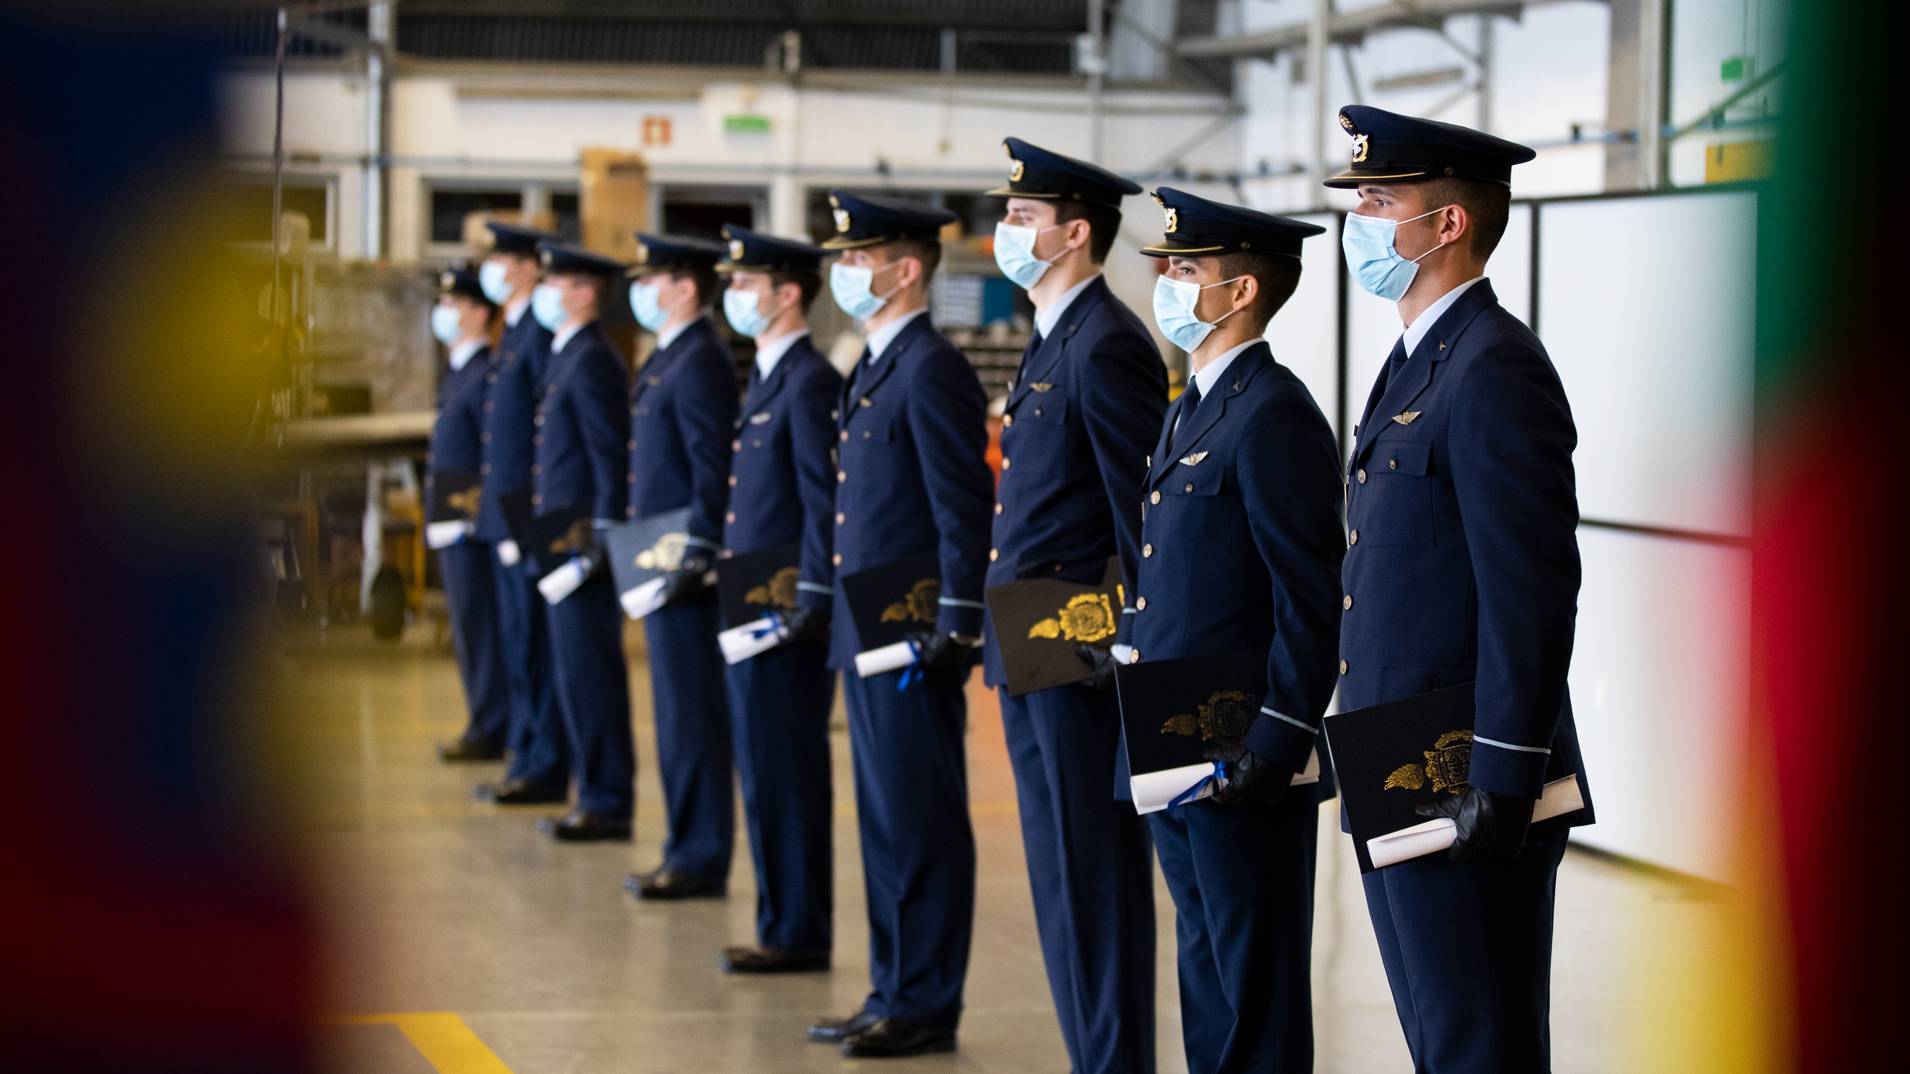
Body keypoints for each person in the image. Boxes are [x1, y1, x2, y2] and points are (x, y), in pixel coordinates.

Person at [1327, 104, 1595, 1074]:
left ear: (1446, 224)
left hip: (1464, 773)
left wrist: (1504, 772)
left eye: (1378, 200)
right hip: (1394, 758)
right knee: (1440, 1041)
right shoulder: (1414, 362)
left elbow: (1530, 591)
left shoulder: (1491, 367)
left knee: (1477, 1043)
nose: (1358, 220)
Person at [1127, 188, 1346, 1074]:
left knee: (1253, 985)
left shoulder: (1273, 413)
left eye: (1187, 271)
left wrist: (1280, 734)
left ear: (1242, 290)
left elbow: (1312, 592)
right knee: (1206, 964)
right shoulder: (1192, 403)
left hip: (1241, 745)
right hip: (1175, 739)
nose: (1169, 286)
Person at [979, 137, 1164, 1074]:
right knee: (1057, 874)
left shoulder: (1108, 344)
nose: (1003, 233)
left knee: (1093, 877)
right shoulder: (1055, 336)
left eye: (1022, 218)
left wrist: (1127, 648)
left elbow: (1144, 520)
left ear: (1076, 232)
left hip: (1079, 652)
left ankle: (1115, 1059)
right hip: (1029, 640)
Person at [804, 191, 991, 1059]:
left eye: (859, 258)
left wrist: (953, 626)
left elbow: (962, 506)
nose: (845, 273)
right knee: (883, 825)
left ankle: (924, 1001)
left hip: (913, 634)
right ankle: (891, 986)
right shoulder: (875, 364)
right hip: (868, 629)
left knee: (918, 823)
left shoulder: (931, 368)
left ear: (905, 269)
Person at [710, 225, 842, 972]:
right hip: (752, 603)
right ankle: (780, 920)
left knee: (786, 771)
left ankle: (797, 928)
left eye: (744, 284)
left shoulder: (809, 381)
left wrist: (810, 600)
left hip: (785, 610)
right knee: (762, 768)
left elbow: (823, 504)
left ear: (787, 293)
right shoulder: (767, 374)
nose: (733, 297)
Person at [618, 233, 740, 899]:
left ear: (686, 288)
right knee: (672, 715)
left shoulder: (698, 362)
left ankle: (698, 854)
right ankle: (683, 844)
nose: (643, 291)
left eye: (654, 278)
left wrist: (691, 555)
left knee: (692, 718)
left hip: (683, 571)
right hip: (657, 561)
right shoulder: (671, 356)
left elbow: (710, 474)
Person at [527, 243, 636, 843]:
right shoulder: (567, 355)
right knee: (571, 674)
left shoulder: (592, 359)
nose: (548, 290)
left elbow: (607, 458)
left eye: (558, 281)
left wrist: (598, 543)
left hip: (582, 551)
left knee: (591, 676)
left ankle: (606, 798)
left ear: (586, 292)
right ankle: (592, 790)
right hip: (562, 546)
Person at [470, 222, 569, 803]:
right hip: (504, 515)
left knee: (534, 644)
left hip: (525, 516)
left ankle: (544, 761)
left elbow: (538, 434)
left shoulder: (539, 331)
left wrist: (525, 517)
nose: (496, 271)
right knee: (517, 642)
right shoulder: (514, 331)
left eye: (505, 261)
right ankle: (527, 753)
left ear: (531, 267)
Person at [427, 266, 509, 764]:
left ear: (480, 313)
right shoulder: (458, 370)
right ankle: (484, 716)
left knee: (480, 627)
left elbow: (490, 453)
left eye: (455, 303)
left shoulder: (484, 373)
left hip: (470, 521)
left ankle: (490, 723)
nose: (445, 312)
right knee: (466, 625)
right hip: (450, 518)